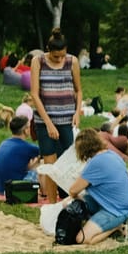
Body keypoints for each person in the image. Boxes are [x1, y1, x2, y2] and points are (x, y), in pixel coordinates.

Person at [29, 31, 83, 204]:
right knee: (50, 165)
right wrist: (48, 124)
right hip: (45, 121)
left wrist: (77, 112)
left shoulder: (72, 61)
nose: (59, 59)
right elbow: (34, 94)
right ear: (48, 50)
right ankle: (52, 204)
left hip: (66, 120)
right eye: (55, 56)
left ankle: (67, 202)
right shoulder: (38, 62)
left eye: (62, 55)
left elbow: (78, 90)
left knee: (67, 165)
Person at [62, 129, 128, 245]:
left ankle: (117, 226)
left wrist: (77, 195)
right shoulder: (111, 154)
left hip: (116, 210)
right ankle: (99, 222)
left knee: (82, 239)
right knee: (67, 203)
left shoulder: (96, 163)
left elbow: (72, 190)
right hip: (116, 202)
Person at [0, 116, 40, 194]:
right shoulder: (27, 147)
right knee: (44, 162)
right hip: (14, 187)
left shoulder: (4, 143)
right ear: (25, 130)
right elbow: (48, 152)